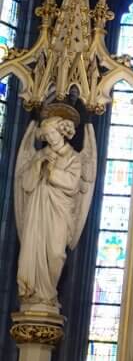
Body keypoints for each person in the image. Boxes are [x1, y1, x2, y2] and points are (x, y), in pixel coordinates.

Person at [14, 103, 96, 307]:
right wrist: (38, 165)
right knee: (31, 249)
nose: (50, 138)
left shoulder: (73, 158)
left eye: (53, 134)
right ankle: (32, 294)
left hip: (59, 212)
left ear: (62, 133)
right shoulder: (39, 155)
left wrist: (51, 171)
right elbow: (25, 184)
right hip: (37, 212)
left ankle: (48, 293)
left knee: (57, 253)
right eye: (47, 135)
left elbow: (72, 184)